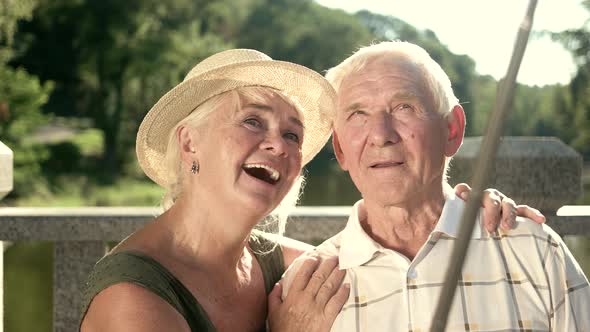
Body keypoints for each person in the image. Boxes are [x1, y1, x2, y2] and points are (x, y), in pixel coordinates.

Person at [80, 48, 542, 332]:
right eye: (252, 121)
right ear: (189, 141)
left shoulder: (287, 266)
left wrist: (462, 210)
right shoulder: (132, 298)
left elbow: (388, 247)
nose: (277, 145)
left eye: (293, 135)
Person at [278, 41, 589, 331]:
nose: (381, 135)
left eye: (404, 108)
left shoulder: (535, 249)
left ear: (452, 130)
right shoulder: (302, 295)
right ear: (341, 148)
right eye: (358, 114)